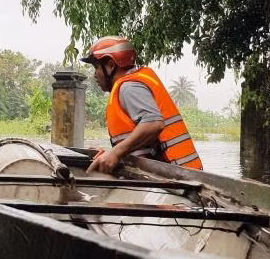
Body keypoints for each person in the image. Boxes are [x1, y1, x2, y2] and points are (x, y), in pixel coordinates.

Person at [82, 36, 203, 174]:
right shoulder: (131, 84)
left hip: (176, 179)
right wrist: (110, 154)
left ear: (111, 65)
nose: (95, 75)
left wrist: (115, 153)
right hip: (177, 174)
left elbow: (153, 124)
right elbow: (143, 147)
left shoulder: (128, 87)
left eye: (97, 67)